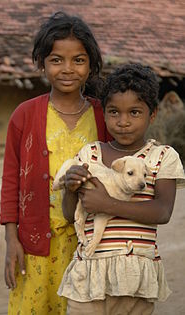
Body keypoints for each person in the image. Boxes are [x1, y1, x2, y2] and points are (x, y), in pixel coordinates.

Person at [0, 11, 111, 315]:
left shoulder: (103, 116)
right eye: (56, 59)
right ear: (42, 63)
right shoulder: (24, 115)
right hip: (35, 247)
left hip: (89, 248)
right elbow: (11, 180)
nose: (67, 69)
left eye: (78, 60)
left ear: (91, 66)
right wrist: (11, 240)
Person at [58, 63, 185, 315]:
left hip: (135, 277)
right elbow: (69, 213)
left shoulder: (162, 157)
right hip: (89, 273)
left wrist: (108, 205)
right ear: (104, 114)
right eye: (114, 112)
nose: (123, 121)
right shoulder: (90, 154)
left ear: (153, 115)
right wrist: (71, 189)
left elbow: (162, 211)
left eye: (135, 112)